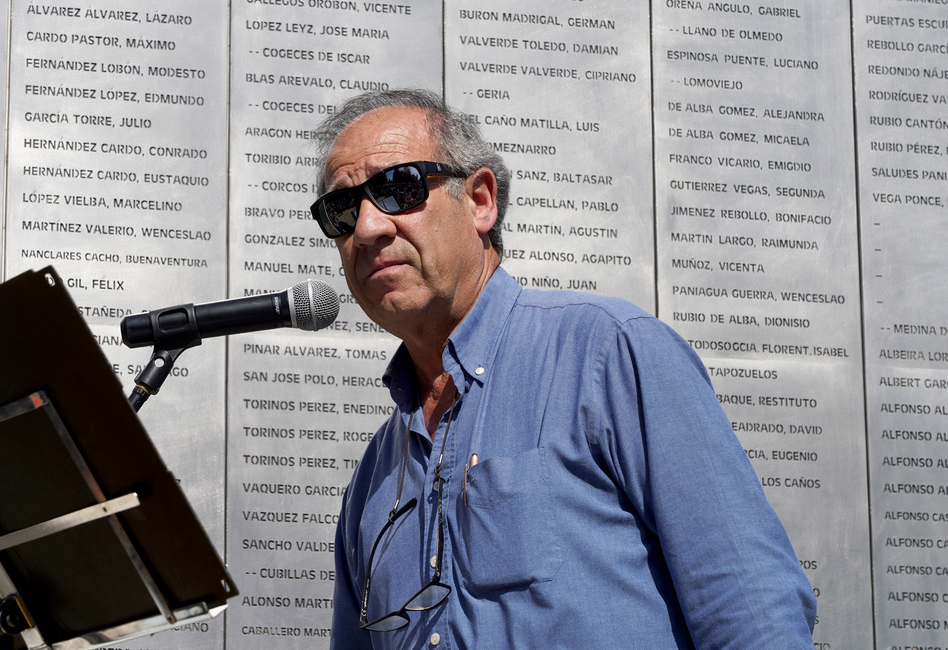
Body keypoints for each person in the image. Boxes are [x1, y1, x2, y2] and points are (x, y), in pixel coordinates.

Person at [309, 89, 816, 649]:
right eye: (344, 210)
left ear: (480, 201)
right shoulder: (374, 478)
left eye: (397, 187)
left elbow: (751, 611)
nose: (369, 228)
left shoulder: (609, 355)